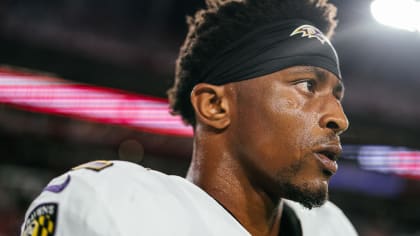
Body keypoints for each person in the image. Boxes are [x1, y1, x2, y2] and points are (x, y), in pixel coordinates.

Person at [21, 0, 358, 235]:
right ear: (215, 105)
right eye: (306, 85)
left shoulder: (332, 228)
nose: (338, 118)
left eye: (336, 95)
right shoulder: (117, 204)